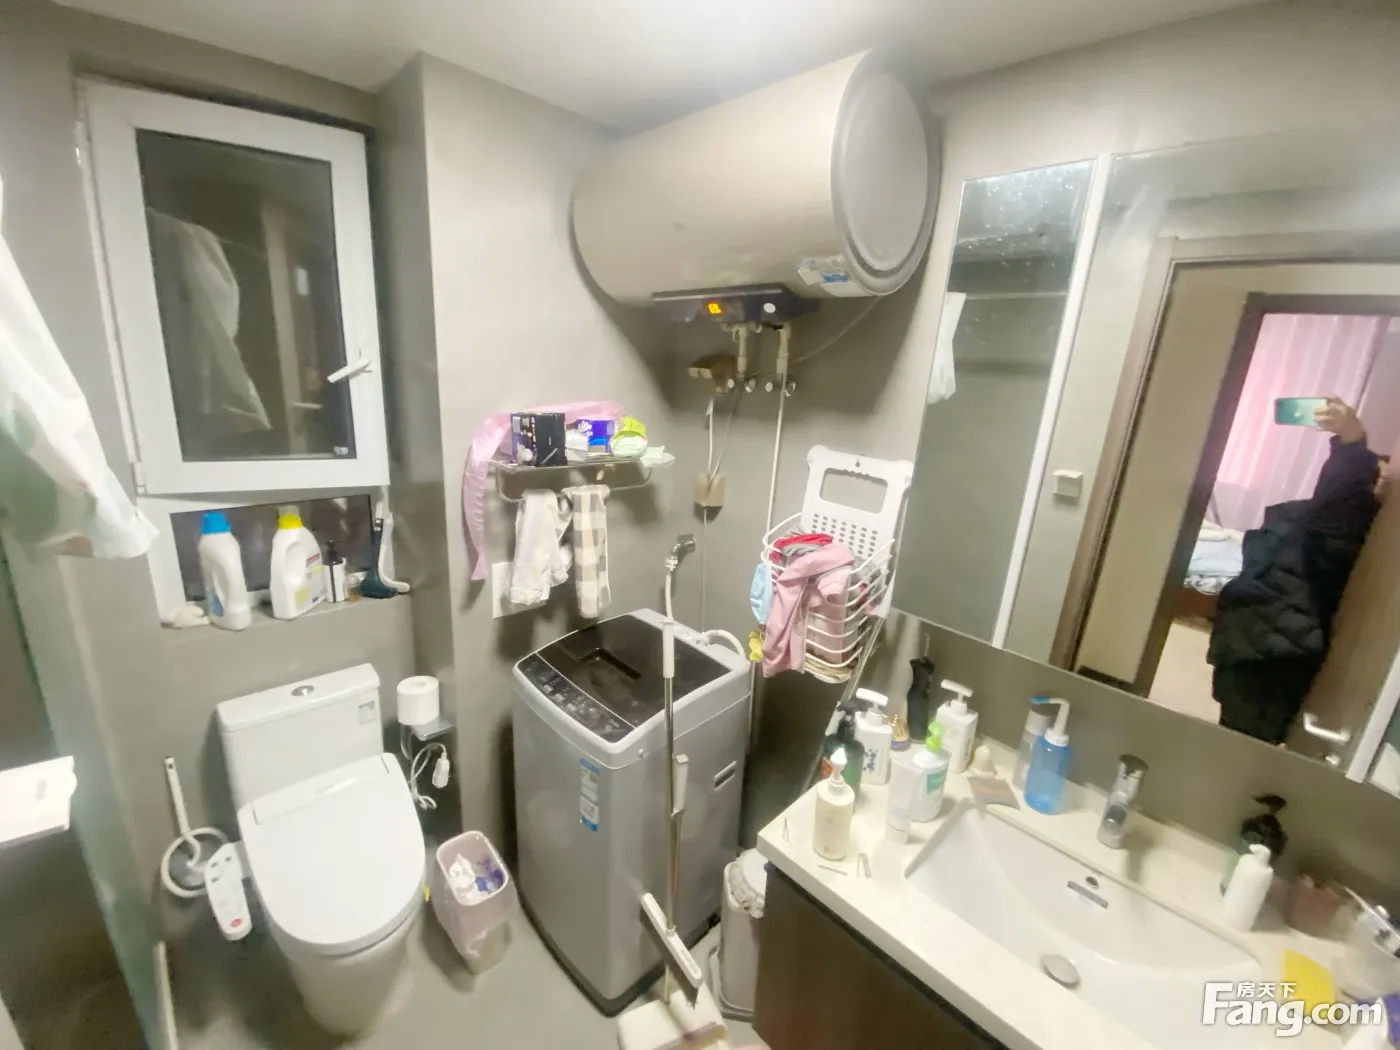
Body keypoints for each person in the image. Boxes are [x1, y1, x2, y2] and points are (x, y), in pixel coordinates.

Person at [1208, 397, 1388, 743]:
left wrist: (1353, 442)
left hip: (1264, 642)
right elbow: (1339, 499)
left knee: (1239, 736)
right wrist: (1352, 443)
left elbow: (1341, 496)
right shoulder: (1343, 526)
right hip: (1264, 640)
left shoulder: (1346, 526)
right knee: (1240, 736)